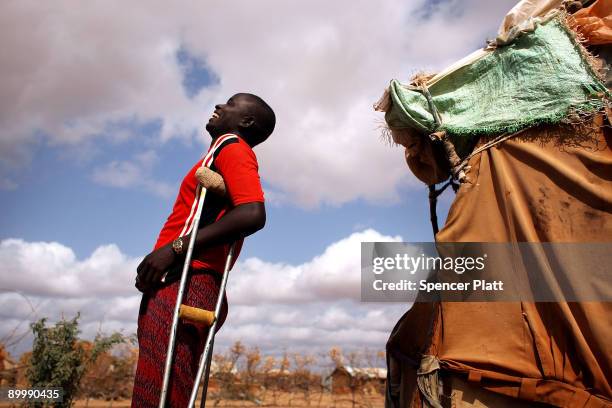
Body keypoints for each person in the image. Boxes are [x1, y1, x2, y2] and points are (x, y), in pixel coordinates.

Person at [131, 93, 275, 407]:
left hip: (189, 280)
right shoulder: (218, 153)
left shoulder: (233, 148)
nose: (220, 106)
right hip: (184, 280)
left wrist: (175, 249)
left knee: (161, 394)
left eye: (231, 104)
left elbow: (253, 213)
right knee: (164, 389)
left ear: (246, 122)